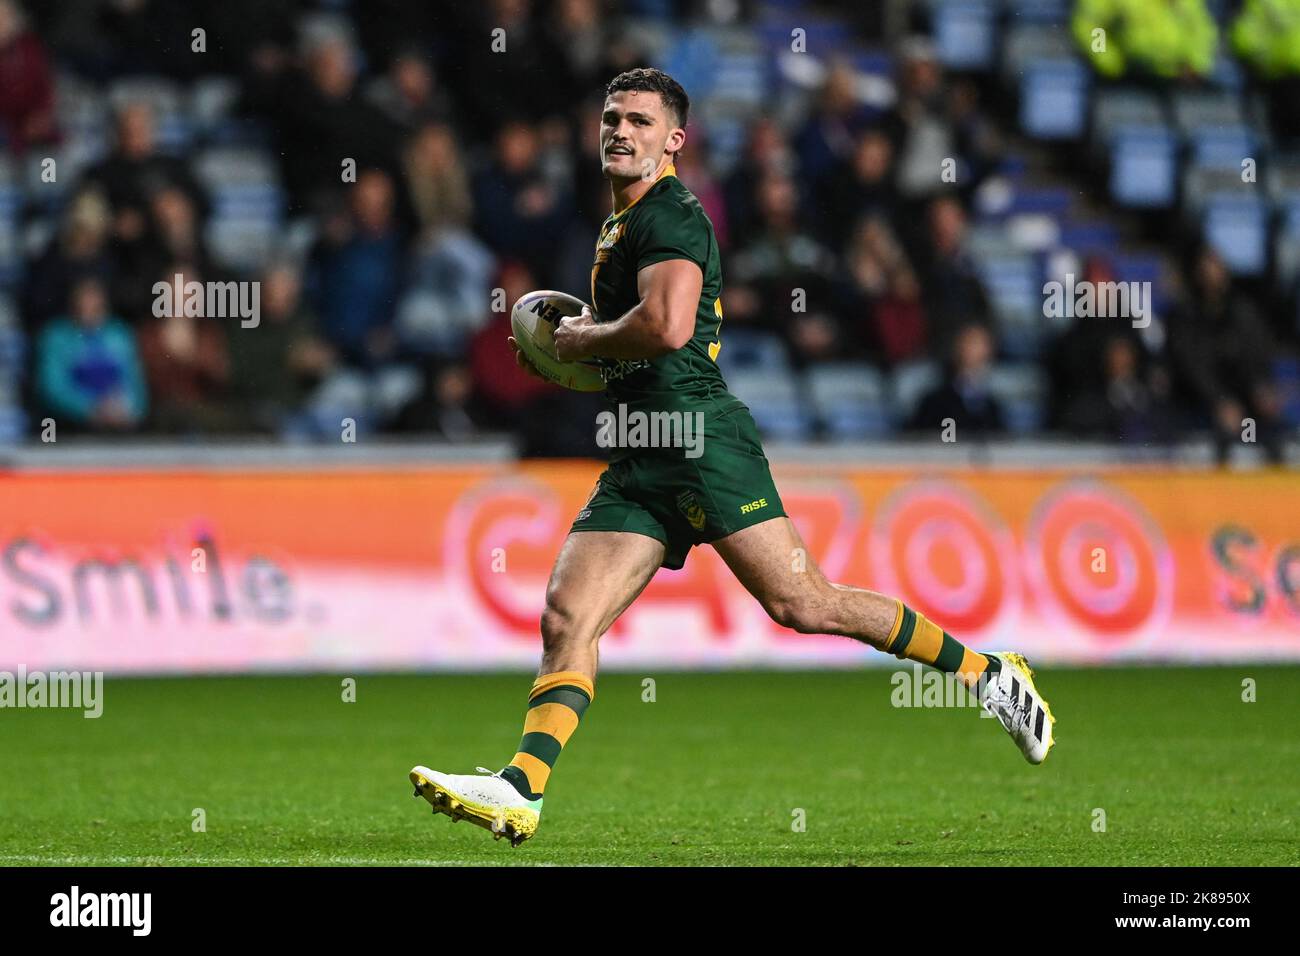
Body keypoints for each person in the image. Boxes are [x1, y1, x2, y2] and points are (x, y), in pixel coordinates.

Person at [409, 69, 1057, 847]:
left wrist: (585, 340)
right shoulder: (620, 222)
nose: (621, 130)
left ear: (674, 140)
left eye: (641, 121)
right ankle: (521, 790)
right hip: (644, 449)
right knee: (566, 615)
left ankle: (990, 676)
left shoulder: (672, 215)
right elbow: (638, 335)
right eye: (612, 117)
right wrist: (590, 358)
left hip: (698, 439)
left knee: (805, 603)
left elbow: (670, 325)